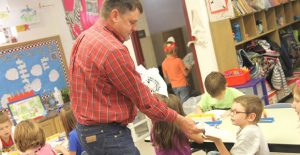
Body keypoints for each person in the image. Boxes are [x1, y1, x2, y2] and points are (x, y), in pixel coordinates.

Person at [69, 0, 202, 154]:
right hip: (107, 133)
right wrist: (179, 120)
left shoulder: (83, 37)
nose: (135, 28)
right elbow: (144, 101)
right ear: (115, 15)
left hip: (86, 130)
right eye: (132, 22)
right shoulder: (113, 50)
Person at [206, 95, 270, 155]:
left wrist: (217, 141)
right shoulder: (249, 127)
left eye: (236, 112)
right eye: (231, 111)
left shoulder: (249, 132)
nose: (231, 114)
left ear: (251, 117)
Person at [162, 36, 191, 103]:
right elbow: (185, 74)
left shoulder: (163, 63)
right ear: (174, 50)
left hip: (174, 87)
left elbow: (166, 77)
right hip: (183, 85)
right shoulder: (178, 61)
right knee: (186, 103)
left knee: (180, 103)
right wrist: (189, 68)